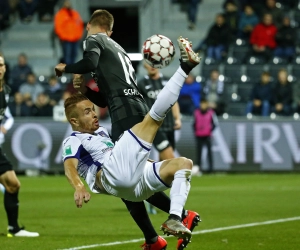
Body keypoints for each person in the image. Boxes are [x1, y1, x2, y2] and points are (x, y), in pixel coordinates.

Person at [54, 9, 200, 249]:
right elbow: (103, 100)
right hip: (132, 105)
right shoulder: (118, 50)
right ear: (111, 31)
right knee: (142, 173)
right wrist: (85, 91)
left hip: (124, 111)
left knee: (148, 131)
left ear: (91, 25)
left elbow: (89, 62)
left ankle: (184, 68)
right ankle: (173, 222)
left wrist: (67, 68)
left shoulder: (94, 39)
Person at [0, 54, 39, 237]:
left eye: (1, 65)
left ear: (5, 68)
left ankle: (13, 229)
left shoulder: (5, 90)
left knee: (13, 185)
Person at [138, 62, 182, 215]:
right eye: (148, 63)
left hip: (169, 126)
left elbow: (173, 100)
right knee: (172, 161)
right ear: (144, 65)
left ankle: (149, 194)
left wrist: (177, 118)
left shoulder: (166, 81)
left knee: (166, 165)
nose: (152, 66)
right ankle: (167, 201)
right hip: (155, 128)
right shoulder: (142, 84)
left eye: (155, 63)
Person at [54, 0, 84, 65]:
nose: (68, 5)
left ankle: (72, 71)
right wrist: (63, 36)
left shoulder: (75, 13)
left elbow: (80, 25)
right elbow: (58, 27)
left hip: (75, 39)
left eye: (69, 3)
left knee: (74, 55)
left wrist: (79, 35)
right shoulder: (60, 14)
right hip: (66, 40)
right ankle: (67, 71)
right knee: (67, 57)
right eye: (66, 3)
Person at [193, 98, 218, 173]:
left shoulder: (211, 113)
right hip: (199, 136)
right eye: (202, 104)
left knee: (209, 153)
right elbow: (194, 124)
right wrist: (196, 131)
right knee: (199, 154)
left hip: (207, 136)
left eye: (204, 104)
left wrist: (209, 130)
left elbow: (214, 124)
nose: (203, 106)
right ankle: (199, 169)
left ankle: (210, 169)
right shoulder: (196, 112)